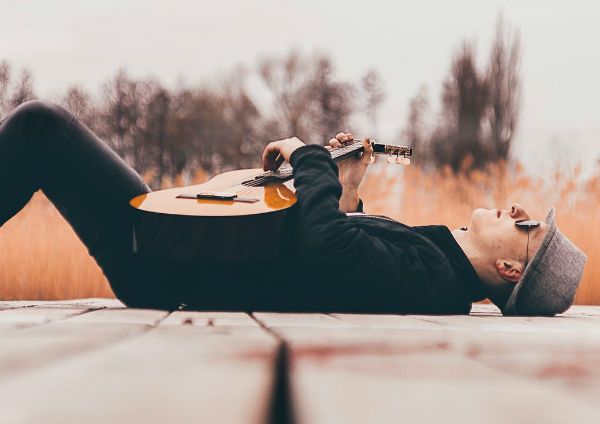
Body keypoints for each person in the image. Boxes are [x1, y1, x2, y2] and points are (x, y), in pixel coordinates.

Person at [0, 100, 587, 316]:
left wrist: (312, 159)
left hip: (165, 259)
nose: (515, 209)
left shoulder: (434, 280)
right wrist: (349, 189)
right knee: (40, 128)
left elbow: (325, 247)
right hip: (178, 244)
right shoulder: (434, 260)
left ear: (512, 272)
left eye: (526, 225)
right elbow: (346, 258)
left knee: (40, 128)